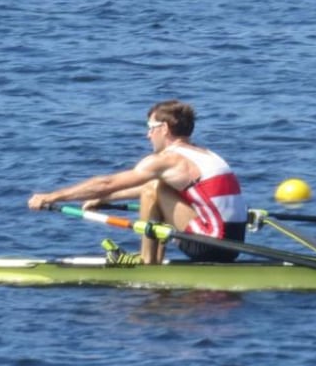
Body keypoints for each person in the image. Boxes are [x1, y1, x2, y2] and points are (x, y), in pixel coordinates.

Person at [27, 100, 248, 265]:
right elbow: (125, 190)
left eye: (150, 128)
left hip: (211, 246)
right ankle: (154, 259)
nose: (148, 135)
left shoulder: (169, 160)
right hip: (233, 245)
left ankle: (147, 261)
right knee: (157, 187)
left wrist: (52, 197)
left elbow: (107, 182)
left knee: (154, 187)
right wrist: (104, 199)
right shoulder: (206, 154)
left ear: (164, 128)